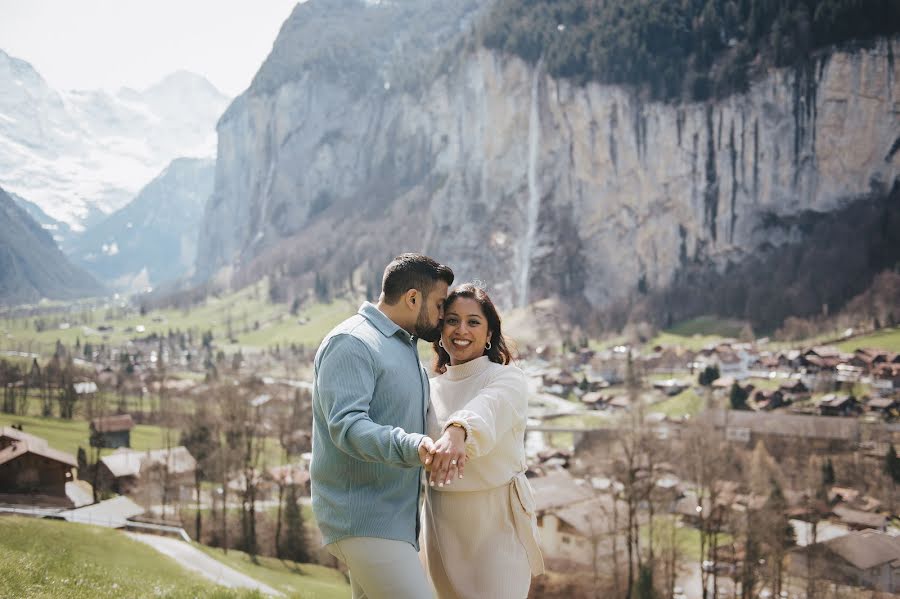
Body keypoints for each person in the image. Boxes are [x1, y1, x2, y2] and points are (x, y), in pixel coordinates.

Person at [310, 253, 454, 599]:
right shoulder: (353, 342)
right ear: (413, 298)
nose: (442, 316)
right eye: (438, 304)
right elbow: (347, 426)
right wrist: (413, 445)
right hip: (363, 519)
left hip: (393, 522)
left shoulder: (402, 347)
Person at [422, 283, 545, 599]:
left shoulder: (507, 378)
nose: (461, 329)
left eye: (473, 321)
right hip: (440, 524)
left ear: (489, 334)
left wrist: (457, 430)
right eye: (452, 320)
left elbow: (487, 408)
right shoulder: (428, 388)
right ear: (440, 328)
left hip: (496, 525)